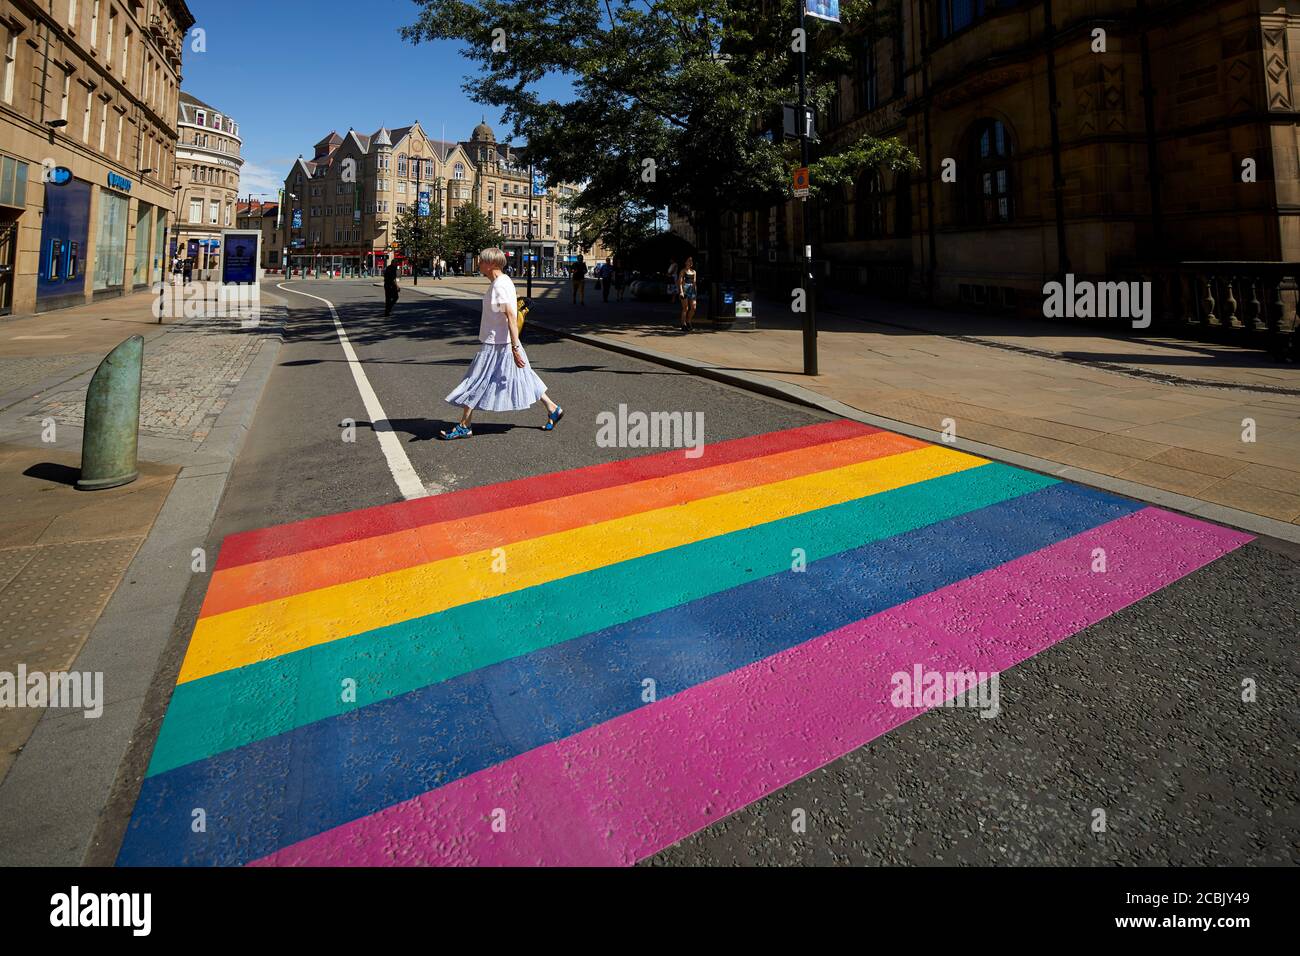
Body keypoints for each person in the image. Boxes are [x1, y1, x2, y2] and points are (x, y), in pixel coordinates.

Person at [440, 247, 563, 440]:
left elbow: (511, 317)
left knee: (475, 381)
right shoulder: (502, 281)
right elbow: (504, 315)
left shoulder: (499, 286)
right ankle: (553, 408)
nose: (478, 264)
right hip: (502, 341)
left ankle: (465, 425)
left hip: (498, 344)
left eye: (481, 261)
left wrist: (514, 347)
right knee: (525, 377)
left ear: (491, 264)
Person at [678, 255, 698, 332]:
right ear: (685, 262)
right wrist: (681, 292)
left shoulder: (694, 272)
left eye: (691, 261)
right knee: (685, 308)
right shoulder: (683, 271)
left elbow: (694, 283)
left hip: (692, 290)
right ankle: (683, 324)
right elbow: (679, 282)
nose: (690, 262)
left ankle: (688, 321)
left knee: (693, 307)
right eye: (689, 260)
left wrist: (695, 292)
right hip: (685, 289)